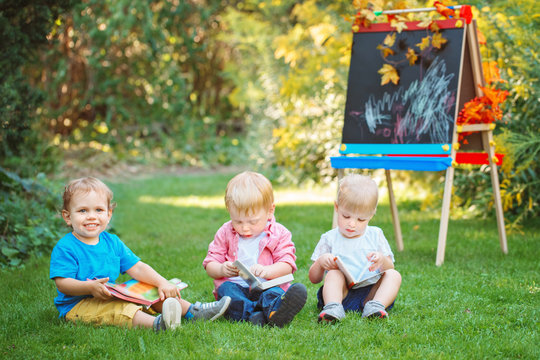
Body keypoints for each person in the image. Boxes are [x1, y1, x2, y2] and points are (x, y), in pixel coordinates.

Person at [50, 176, 231, 331]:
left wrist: (162, 282)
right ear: (67, 217)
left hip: (108, 294)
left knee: (149, 289)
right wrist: (89, 288)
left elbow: (137, 267)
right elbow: (63, 284)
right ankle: (158, 324)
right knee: (120, 311)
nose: (91, 216)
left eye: (98, 210)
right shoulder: (66, 247)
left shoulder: (111, 241)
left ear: (109, 214)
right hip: (79, 305)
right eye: (83, 211)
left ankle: (194, 311)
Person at [203, 171, 307, 327]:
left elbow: (287, 264)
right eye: (238, 221)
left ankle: (270, 311)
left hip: (266, 285)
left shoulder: (279, 233)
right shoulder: (225, 232)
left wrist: (267, 271)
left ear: (270, 211)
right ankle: (261, 313)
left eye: (252, 222)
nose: (245, 228)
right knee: (227, 293)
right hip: (235, 286)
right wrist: (221, 269)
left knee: (274, 293)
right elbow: (211, 263)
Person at [308, 174, 401, 322]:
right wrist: (320, 262)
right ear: (337, 207)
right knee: (333, 274)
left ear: (371, 214)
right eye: (346, 216)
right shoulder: (329, 238)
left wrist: (382, 260)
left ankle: (376, 307)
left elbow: (390, 267)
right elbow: (314, 279)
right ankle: (332, 309)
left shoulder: (375, 234)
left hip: (370, 295)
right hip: (340, 294)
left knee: (394, 275)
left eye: (361, 219)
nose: (352, 224)